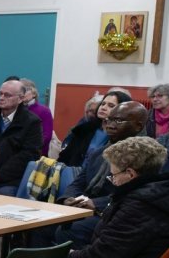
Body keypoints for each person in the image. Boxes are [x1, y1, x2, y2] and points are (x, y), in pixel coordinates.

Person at [52, 101, 149, 248]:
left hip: (119, 214)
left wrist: (95, 204)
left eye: (118, 120)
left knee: (68, 230)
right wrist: (67, 199)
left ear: (138, 126)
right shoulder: (99, 153)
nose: (110, 124)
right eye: (109, 120)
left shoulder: (149, 155)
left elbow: (140, 194)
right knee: (43, 225)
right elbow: (79, 182)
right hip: (87, 208)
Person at [0, 79, 43, 195]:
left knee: (2, 196)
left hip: (11, 178)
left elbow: (28, 155)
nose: (2, 98)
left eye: (7, 95)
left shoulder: (31, 122)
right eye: (0, 93)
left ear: (20, 99)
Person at [58, 89, 132, 168]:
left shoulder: (122, 137)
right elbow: (65, 157)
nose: (103, 107)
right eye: (103, 104)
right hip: (73, 174)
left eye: (111, 106)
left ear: (122, 110)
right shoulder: (85, 129)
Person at [21, 78, 54, 152]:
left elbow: (47, 136)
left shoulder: (44, 111)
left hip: (36, 152)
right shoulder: (14, 109)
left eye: (25, 90)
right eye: (19, 91)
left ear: (34, 93)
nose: (22, 93)